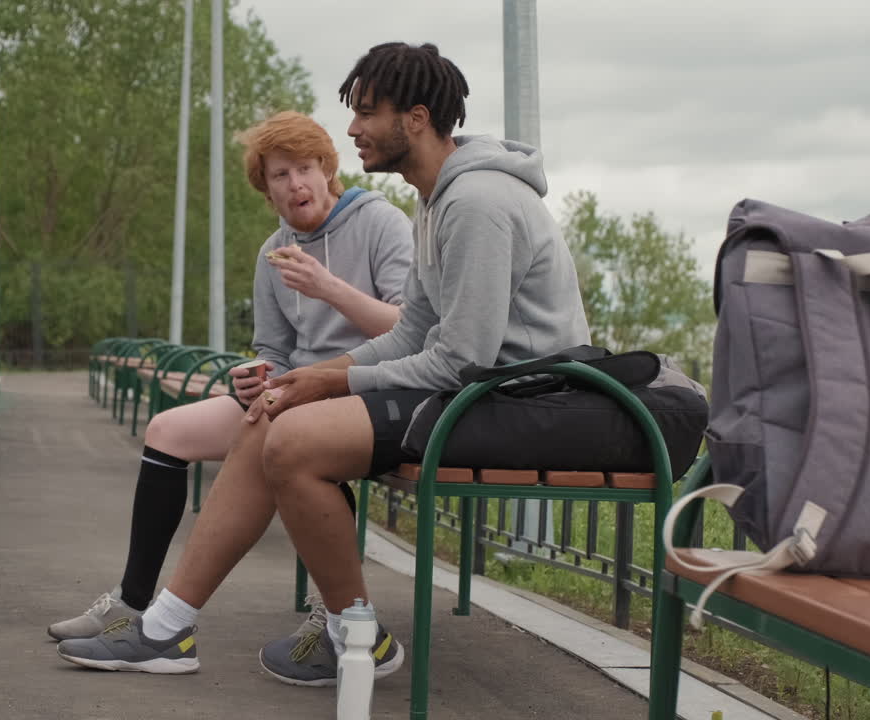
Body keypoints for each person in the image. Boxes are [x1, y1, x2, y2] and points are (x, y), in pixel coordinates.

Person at [55, 42, 591, 685]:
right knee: (277, 409)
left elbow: (462, 358)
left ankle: (346, 631)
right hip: (475, 395)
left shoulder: (475, 202)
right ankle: (169, 627)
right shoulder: (434, 200)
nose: (353, 128)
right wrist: (303, 379)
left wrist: (332, 378)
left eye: (367, 112)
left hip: (520, 402)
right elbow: (416, 332)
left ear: (415, 119)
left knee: (293, 439)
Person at [47, 110, 413, 643]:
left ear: (328, 169)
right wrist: (256, 376)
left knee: (283, 436)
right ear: (266, 190)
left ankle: (329, 610)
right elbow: (274, 350)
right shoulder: (273, 251)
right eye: (280, 176)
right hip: (292, 395)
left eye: (306, 168)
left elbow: (409, 328)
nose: (296, 184)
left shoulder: (382, 223)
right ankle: (131, 603)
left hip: (365, 393)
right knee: (166, 431)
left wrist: (328, 287)